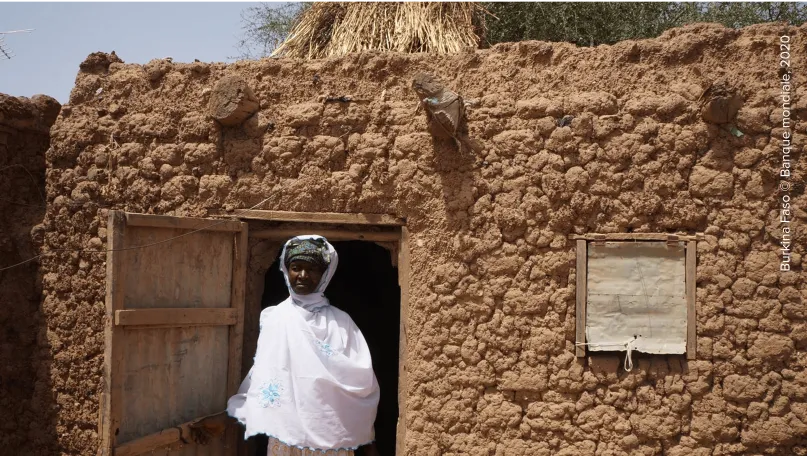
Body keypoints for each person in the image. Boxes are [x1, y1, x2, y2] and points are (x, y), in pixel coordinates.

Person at [190, 235, 381, 456]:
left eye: (312, 269)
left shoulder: (341, 322)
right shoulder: (276, 317)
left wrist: (368, 441)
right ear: (285, 270)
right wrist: (230, 416)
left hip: (332, 440)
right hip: (287, 439)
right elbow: (265, 374)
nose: (302, 275)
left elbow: (360, 383)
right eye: (295, 267)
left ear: (325, 274)